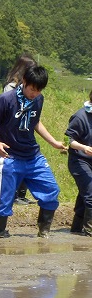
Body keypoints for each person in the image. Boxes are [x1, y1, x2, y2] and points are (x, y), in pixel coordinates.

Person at [0, 64, 66, 238]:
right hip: (10, 156)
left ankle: (43, 229)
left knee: (51, 189)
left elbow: (35, 122)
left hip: (33, 156)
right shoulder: (5, 99)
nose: (34, 93)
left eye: (39, 90)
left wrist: (53, 142)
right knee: (5, 198)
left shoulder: (39, 99)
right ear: (24, 81)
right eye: (32, 89)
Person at [3, 54, 37, 205]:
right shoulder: (10, 87)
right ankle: (14, 196)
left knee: (27, 163)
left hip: (25, 131)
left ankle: (22, 195)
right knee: (14, 167)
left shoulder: (31, 89)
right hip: (11, 134)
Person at [65, 90, 92, 236]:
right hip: (79, 160)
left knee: (86, 194)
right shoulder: (80, 116)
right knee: (91, 194)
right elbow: (68, 140)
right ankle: (89, 231)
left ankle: (76, 229)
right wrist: (84, 147)